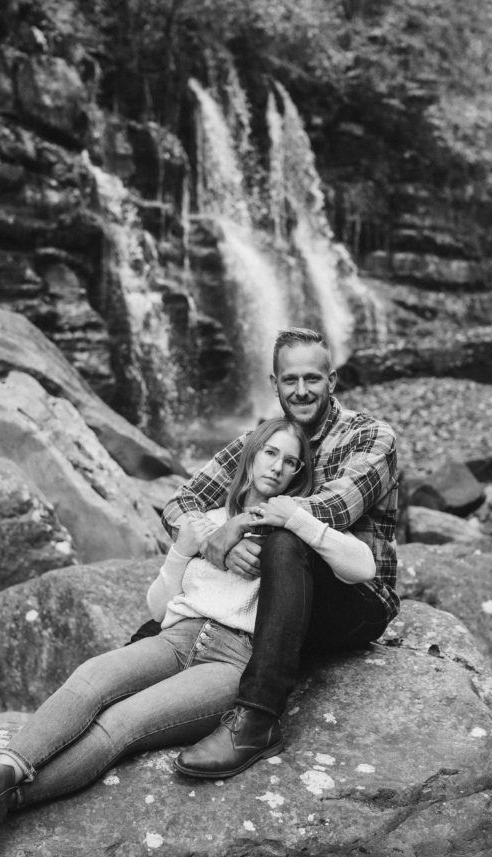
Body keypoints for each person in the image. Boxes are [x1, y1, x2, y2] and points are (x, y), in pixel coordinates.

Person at [0, 416, 375, 847]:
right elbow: (158, 606)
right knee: (90, 680)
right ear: (252, 456)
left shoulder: (292, 529)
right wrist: (182, 551)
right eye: (270, 453)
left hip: (231, 659)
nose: (277, 466)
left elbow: (363, 566)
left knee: (120, 724)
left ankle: (1, 800)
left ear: (299, 473)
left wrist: (294, 519)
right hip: (176, 639)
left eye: (291, 461)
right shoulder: (207, 520)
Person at [166, 326, 399, 779]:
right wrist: (215, 544)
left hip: (355, 598)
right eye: (289, 380)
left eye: (313, 378)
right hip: (271, 600)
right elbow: (180, 502)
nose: (301, 390)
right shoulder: (264, 442)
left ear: (332, 381)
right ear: (274, 385)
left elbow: (330, 508)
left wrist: (238, 524)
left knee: (291, 536)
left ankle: (256, 717)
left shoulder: (371, 437)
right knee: (152, 634)